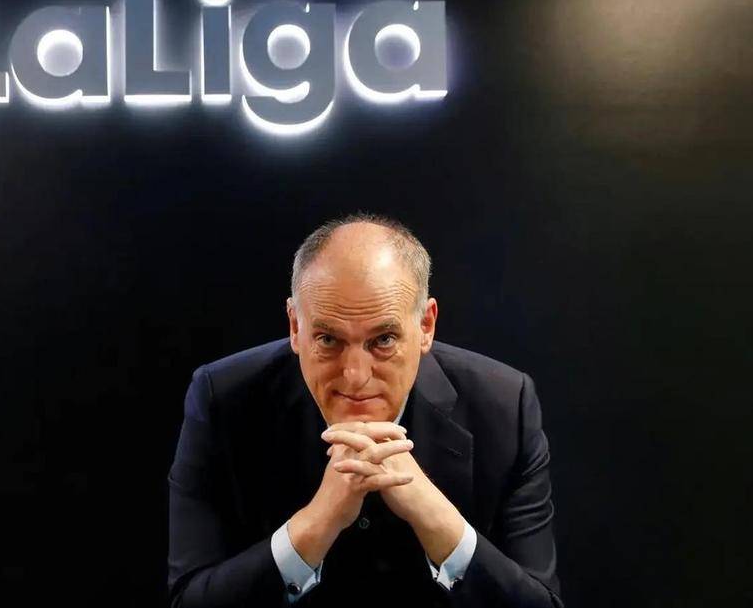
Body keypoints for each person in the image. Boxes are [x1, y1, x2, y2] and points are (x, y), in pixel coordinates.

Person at [167, 213, 563, 607]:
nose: (355, 376)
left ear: (426, 326)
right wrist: (314, 525)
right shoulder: (222, 400)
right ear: (295, 327)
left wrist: (437, 519)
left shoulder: (504, 406)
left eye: (384, 339)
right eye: (328, 339)